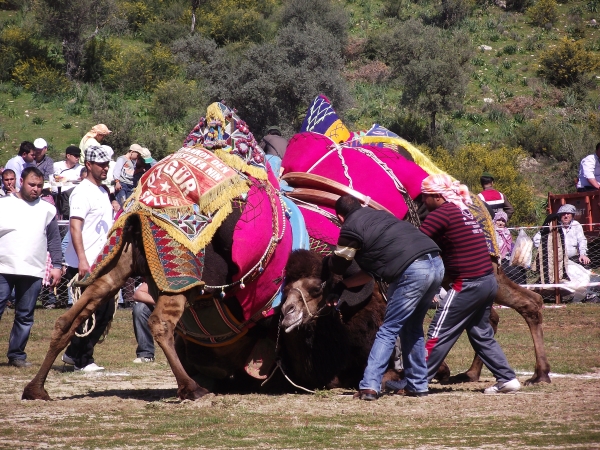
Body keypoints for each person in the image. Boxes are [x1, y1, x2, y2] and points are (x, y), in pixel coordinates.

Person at [327, 195, 444, 400]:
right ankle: (418, 384)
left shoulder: (351, 228)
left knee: (388, 329)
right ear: (361, 205)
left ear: (340, 217)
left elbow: (339, 265)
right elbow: (371, 272)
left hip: (413, 270)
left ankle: (370, 386)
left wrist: (329, 262)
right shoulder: (381, 217)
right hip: (435, 264)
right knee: (412, 327)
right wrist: (343, 285)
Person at [420, 174, 521, 395]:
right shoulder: (463, 210)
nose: (422, 202)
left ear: (437, 196)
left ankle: (416, 380)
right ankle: (506, 378)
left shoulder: (440, 214)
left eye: (425, 197)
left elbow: (416, 243)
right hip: (487, 280)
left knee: (438, 331)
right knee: (480, 332)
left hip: (467, 283)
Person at [0, 167, 62, 367]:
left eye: (39, 186)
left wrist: (57, 265)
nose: (35, 189)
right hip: (4, 267)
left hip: (33, 269)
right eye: (31, 184)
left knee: (25, 315)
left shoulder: (48, 209)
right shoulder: (4, 205)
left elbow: (54, 240)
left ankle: (17, 355)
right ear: (21, 181)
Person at [61, 145, 115, 372]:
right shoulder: (81, 192)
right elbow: (75, 227)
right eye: (101, 164)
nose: (105, 168)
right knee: (87, 313)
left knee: (106, 311)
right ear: (89, 165)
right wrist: (82, 260)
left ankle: (74, 354)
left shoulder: (103, 192)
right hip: (85, 264)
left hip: (101, 262)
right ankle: (83, 360)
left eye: (107, 164)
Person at [53, 146, 83, 219]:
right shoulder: (56, 165)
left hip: (71, 197)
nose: (78, 158)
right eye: (76, 156)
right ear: (68, 156)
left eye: (79, 156)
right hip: (57, 195)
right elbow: (53, 179)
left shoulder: (81, 168)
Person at [131, 283, 155, 364]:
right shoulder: (161, 274)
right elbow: (138, 294)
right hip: (161, 306)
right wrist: (162, 302)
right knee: (140, 309)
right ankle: (146, 354)